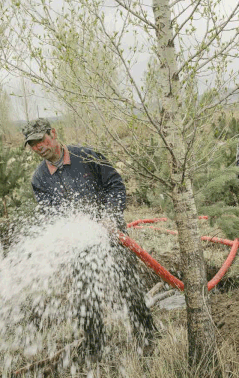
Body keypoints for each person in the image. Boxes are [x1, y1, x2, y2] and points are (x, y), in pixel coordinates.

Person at [22, 118, 154, 360]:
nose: (38, 146)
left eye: (41, 139)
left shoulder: (87, 156)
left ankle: (146, 334)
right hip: (79, 242)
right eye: (32, 144)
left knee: (128, 284)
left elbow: (115, 184)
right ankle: (95, 346)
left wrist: (110, 216)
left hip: (112, 232)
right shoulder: (39, 179)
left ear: (53, 133)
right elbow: (50, 214)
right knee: (85, 293)